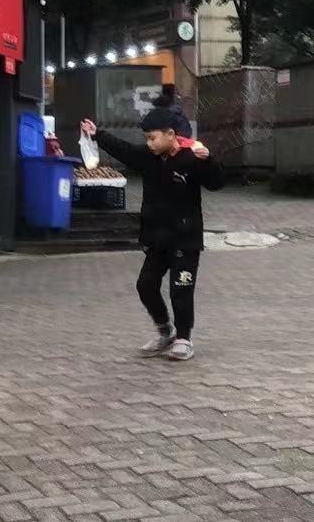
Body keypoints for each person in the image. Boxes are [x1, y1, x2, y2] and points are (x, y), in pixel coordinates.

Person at [81, 106, 224, 362]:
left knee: (180, 290)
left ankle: (183, 339)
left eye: (153, 137)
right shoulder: (148, 157)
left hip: (185, 239)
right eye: (146, 138)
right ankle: (165, 331)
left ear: (171, 134)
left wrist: (209, 160)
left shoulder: (192, 157)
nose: (149, 143)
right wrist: (97, 134)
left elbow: (216, 183)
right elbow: (123, 149)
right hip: (157, 238)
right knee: (145, 286)